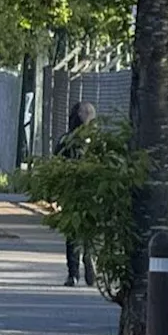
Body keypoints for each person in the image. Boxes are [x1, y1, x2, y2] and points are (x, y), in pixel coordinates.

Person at [57, 101, 98, 287]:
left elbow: (55, 166)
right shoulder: (96, 143)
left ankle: (73, 273)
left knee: (72, 233)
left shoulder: (65, 141)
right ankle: (89, 259)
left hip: (71, 191)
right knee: (88, 230)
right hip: (91, 191)